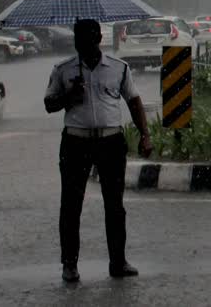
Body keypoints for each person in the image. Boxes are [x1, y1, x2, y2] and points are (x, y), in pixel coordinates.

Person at [44, 18, 153, 283]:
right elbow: (49, 104)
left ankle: (118, 262)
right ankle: (69, 265)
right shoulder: (63, 70)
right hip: (75, 143)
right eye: (78, 39)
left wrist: (145, 135)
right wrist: (69, 97)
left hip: (110, 142)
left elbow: (134, 102)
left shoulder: (119, 68)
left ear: (97, 39)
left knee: (114, 205)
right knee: (71, 205)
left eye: (89, 38)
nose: (83, 43)